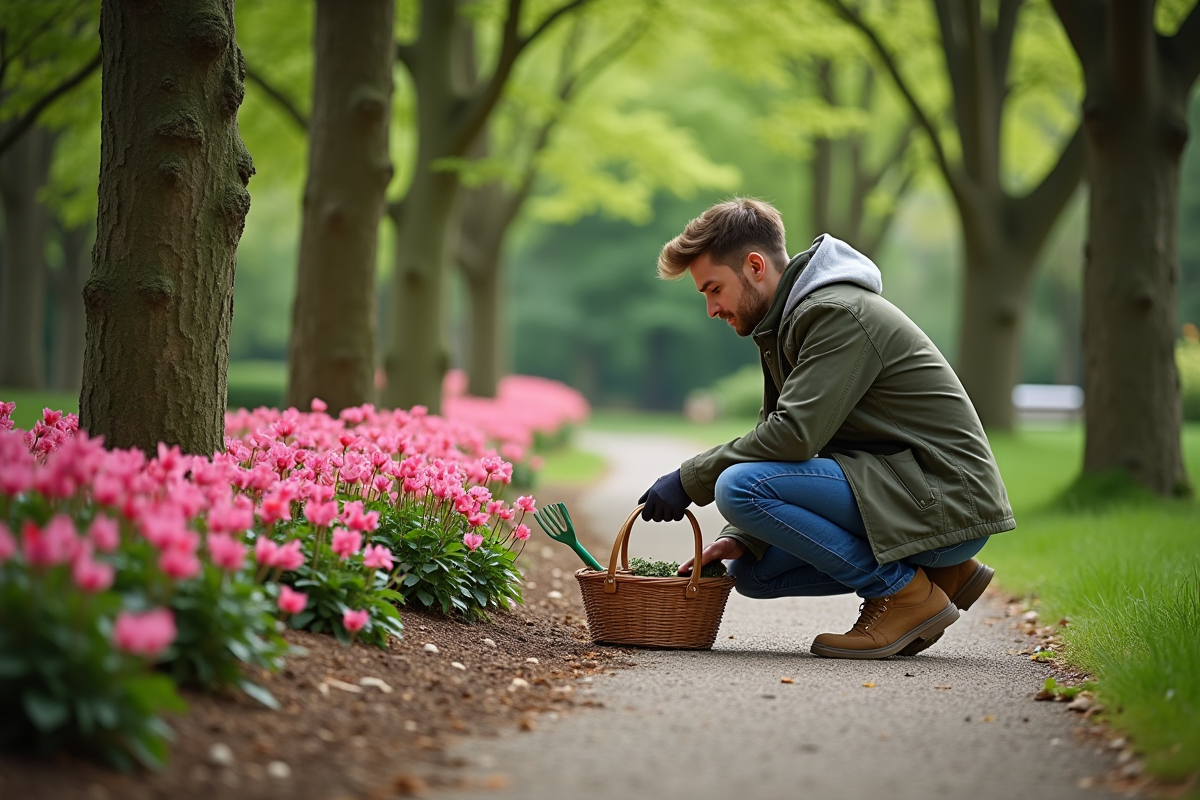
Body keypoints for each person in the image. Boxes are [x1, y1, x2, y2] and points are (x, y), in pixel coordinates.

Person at [638, 198, 1015, 659]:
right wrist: (742, 537)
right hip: (903, 489)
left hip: (941, 496)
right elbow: (779, 439)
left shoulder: (836, 314)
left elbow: (793, 437)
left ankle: (904, 594)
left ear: (754, 266)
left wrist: (690, 478)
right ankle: (941, 573)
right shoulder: (784, 324)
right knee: (751, 570)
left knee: (737, 487)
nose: (712, 308)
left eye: (714, 289)